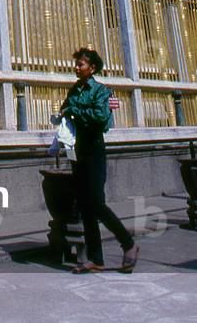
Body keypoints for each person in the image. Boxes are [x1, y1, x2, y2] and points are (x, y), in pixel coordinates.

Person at [60, 47, 139, 274]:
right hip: (78, 149)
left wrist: (74, 111)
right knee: (85, 206)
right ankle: (96, 258)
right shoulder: (75, 90)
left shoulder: (101, 90)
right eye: (76, 64)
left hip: (94, 148)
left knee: (96, 202)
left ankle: (128, 243)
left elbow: (101, 118)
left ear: (92, 68)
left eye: (81, 64)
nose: (76, 68)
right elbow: (65, 109)